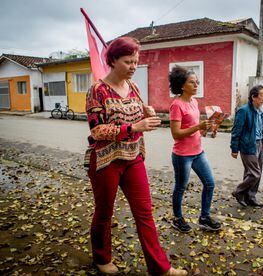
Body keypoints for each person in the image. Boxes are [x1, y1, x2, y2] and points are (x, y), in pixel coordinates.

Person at [85, 37, 187, 276]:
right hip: (105, 160)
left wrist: (148, 112)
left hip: (133, 158)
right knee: (104, 212)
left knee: (145, 213)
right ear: (112, 60)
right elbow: (97, 130)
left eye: (136, 62)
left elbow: (139, 114)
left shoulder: (134, 88)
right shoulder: (97, 90)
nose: (133, 66)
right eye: (128, 61)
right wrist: (133, 128)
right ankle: (101, 258)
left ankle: (160, 268)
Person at [168, 65, 221, 233]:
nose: (196, 85)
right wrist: (198, 126)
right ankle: (177, 218)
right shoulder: (176, 105)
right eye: (192, 82)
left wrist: (208, 130)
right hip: (182, 155)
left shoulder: (194, 102)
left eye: (197, 82)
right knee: (180, 187)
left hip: (198, 152)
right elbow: (176, 134)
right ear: (182, 85)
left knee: (210, 184)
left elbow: (196, 129)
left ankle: (204, 218)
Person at [230, 85, 263, 208]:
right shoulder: (244, 111)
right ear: (253, 97)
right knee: (255, 173)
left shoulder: (260, 112)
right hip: (248, 145)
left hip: (259, 144)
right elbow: (236, 131)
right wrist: (234, 149)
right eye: (262, 95)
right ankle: (238, 192)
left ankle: (250, 197)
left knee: (253, 173)